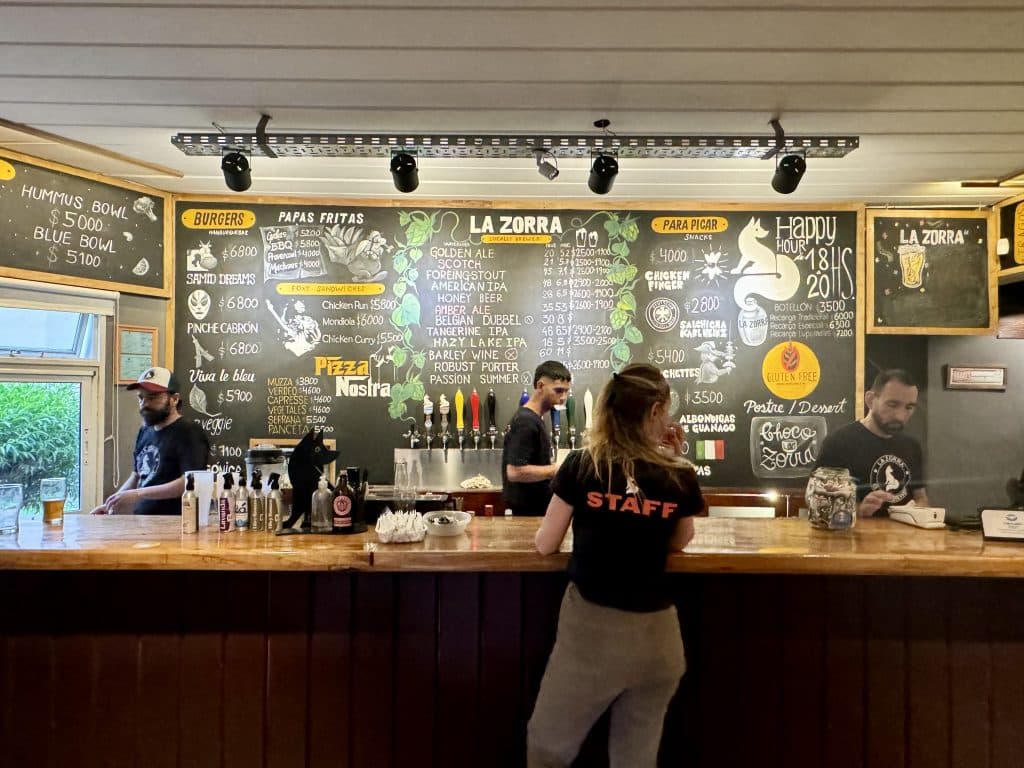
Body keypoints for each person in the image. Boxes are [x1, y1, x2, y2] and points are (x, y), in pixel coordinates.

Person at [527, 363, 705, 768]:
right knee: (635, 757)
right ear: (655, 411)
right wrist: (673, 461)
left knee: (547, 746)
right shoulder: (677, 473)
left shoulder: (583, 464)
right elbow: (681, 539)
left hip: (594, 635)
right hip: (658, 640)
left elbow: (545, 544)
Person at [91, 366, 210, 515]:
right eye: (141, 398)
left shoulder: (189, 432)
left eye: (152, 397)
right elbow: (137, 476)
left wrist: (138, 494)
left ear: (174, 399)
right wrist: (110, 504)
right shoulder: (145, 431)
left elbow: (190, 481)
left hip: (174, 525)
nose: (144, 404)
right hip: (143, 522)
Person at [813, 368, 928, 518]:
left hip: (903, 539)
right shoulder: (839, 442)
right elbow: (818, 502)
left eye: (909, 407)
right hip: (854, 538)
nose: (900, 416)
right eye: (892, 405)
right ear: (870, 400)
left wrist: (921, 511)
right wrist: (859, 509)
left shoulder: (912, 446)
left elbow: (920, 497)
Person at [502, 360, 572, 516]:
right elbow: (514, 471)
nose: (563, 397)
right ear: (540, 386)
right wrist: (556, 470)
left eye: (566, 391)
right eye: (558, 390)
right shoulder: (526, 421)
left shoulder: (533, 419)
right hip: (526, 514)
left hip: (535, 511)